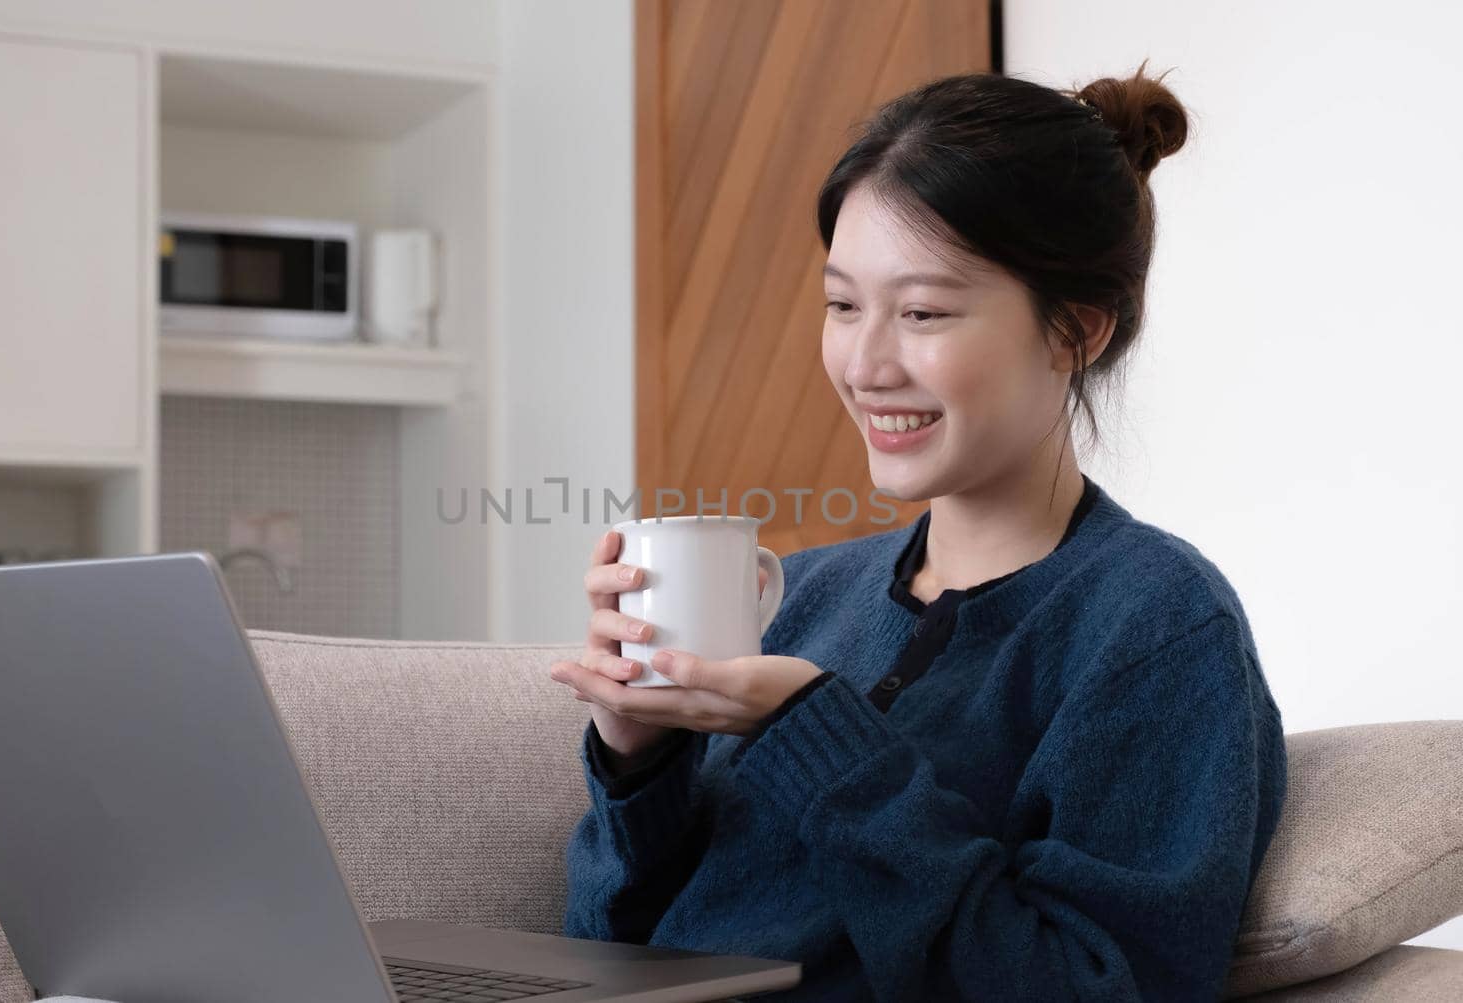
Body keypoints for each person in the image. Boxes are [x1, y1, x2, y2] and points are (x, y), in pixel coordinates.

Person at [547, 63, 1286, 1002]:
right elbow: (603, 951)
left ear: (1077, 333)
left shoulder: (1156, 630)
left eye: (924, 312)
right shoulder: (804, 597)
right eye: (842, 304)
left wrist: (816, 733)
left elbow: (1095, 986)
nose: (863, 362)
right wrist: (637, 757)